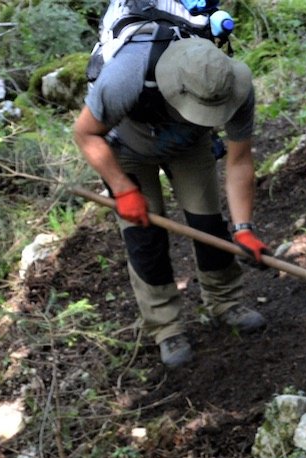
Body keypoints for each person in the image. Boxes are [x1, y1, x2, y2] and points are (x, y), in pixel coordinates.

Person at [72, 34, 269, 368]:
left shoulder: (234, 85)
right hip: (127, 151)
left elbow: (239, 161)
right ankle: (166, 326)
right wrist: (122, 189)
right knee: (143, 237)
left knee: (208, 223)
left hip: (190, 147)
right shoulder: (126, 76)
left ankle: (225, 301)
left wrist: (244, 228)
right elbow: (84, 133)